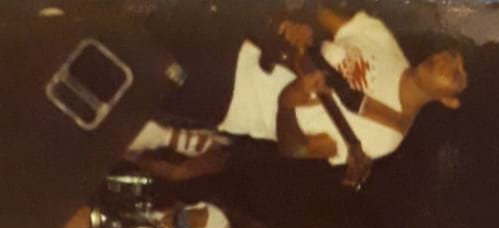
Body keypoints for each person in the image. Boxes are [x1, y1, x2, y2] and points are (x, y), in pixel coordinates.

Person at [127, 7, 467, 177]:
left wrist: (287, 103)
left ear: (449, 101)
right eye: (451, 54)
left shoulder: (384, 137)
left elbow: (295, 149)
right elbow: (318, 11)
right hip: (239, 39)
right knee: (130, 24)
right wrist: (302, 25)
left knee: (130, 75)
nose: (445, 62)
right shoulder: (386, 42)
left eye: (455, 73)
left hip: (232, 97)